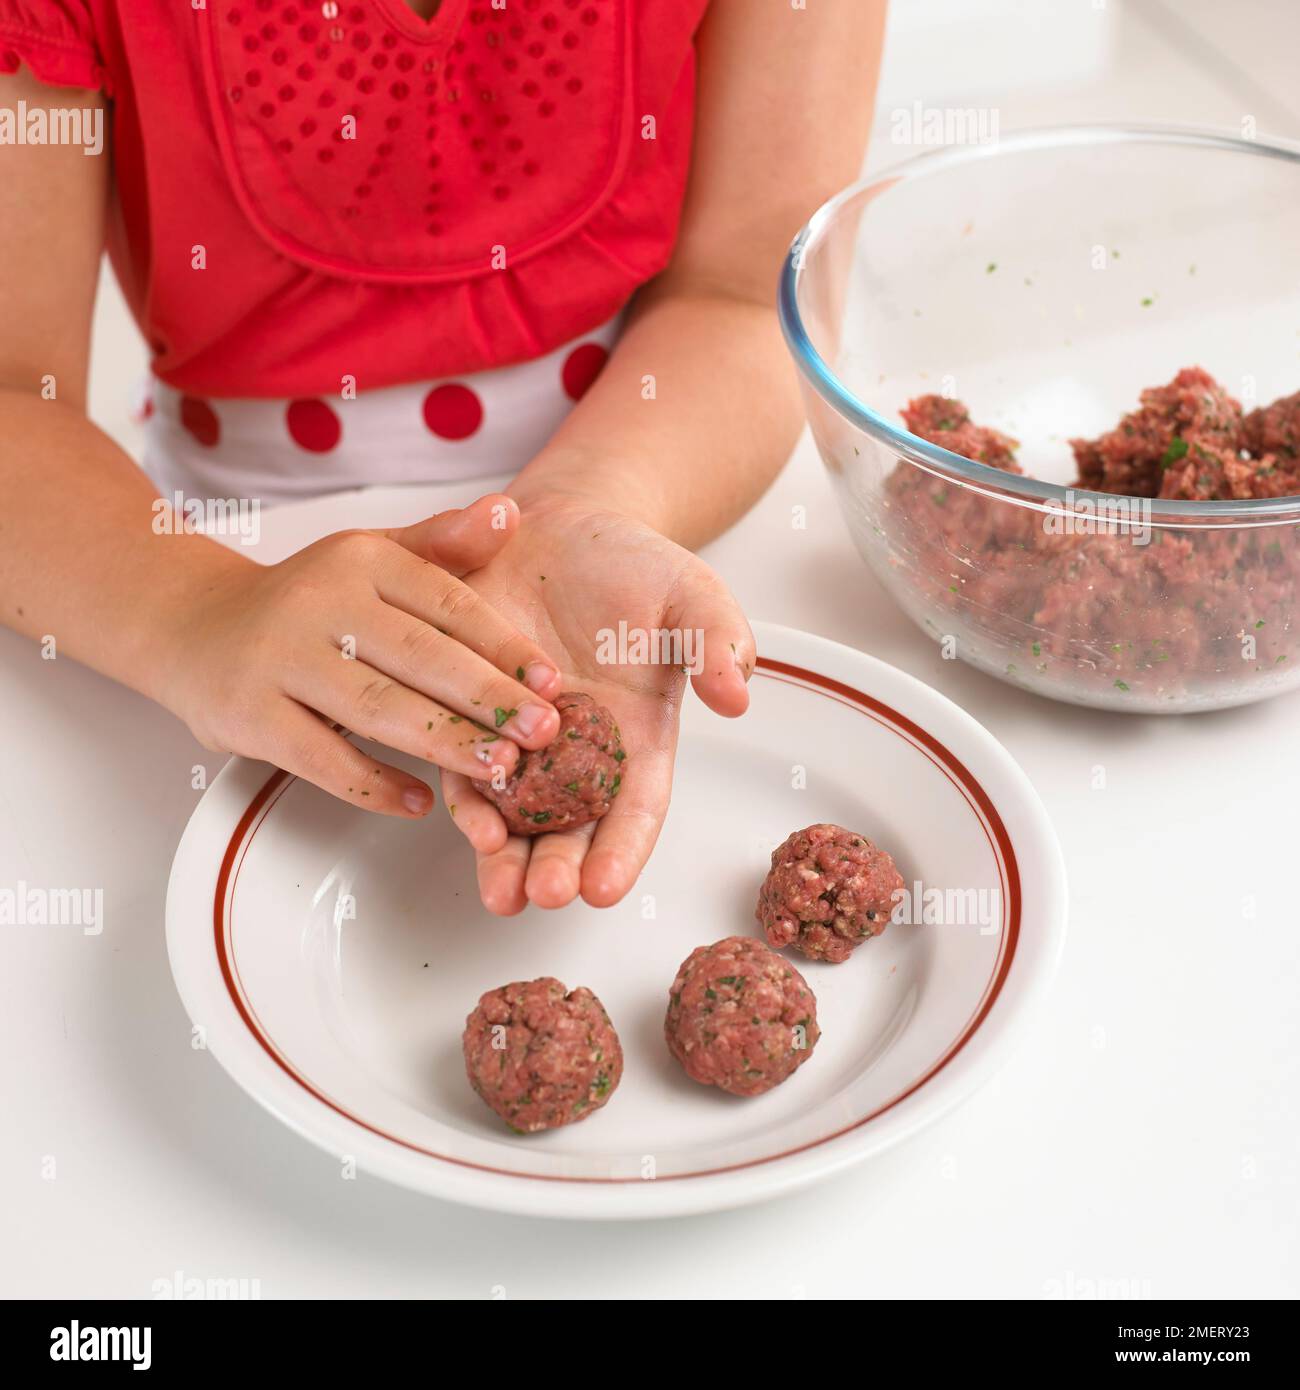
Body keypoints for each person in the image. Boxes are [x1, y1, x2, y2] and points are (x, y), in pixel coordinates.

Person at [0, 0, 883, 912]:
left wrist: (580, 505)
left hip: (650, 486)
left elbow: (743, 295)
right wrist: (195, 608)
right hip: (182, 559)